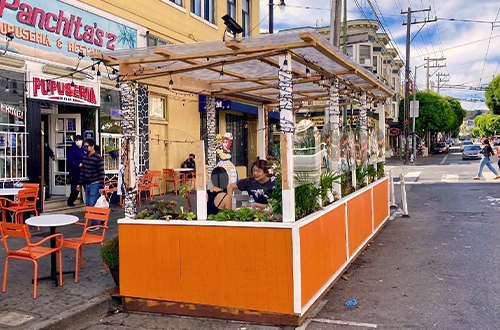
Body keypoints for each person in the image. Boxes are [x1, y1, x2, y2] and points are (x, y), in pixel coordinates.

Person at [77, 139, 105, 226]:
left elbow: (101, 172)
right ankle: (101, 216)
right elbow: (83, 171)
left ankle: (94, 223)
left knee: (92, 203)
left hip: (95, 183)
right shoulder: (85, 157)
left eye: (87, 146)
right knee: (88, 204)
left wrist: (101, 185)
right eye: (85, 146)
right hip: (87, 183)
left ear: (93, 146)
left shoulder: (98, 158)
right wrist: (79, 183)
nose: (86, 148)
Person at [66, 135, 85, 206]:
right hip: (75, 172)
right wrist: (78, 164)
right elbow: (70, 160)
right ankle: (70, 201)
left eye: (80, 140)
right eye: (77, 140)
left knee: (86, 186)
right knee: (75, 188)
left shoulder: (84, 149)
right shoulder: (72, 150)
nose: (78, 141)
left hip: (84, 172)